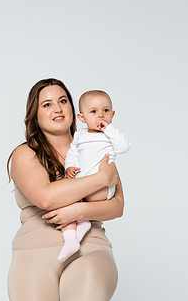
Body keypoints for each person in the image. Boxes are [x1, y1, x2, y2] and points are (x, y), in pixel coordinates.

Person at [7, 78, 124, 301]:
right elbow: (46, 198)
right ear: (35, 114)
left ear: (74, 109)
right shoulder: (25, 154)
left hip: (90, 247)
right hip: (34, 252)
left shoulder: (99, 145)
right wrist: (100, 178)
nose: (58, 109)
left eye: (63, 101)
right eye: (47, 104)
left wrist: (79, 212)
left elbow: (117, 206)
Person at [57, 90, 131, 262]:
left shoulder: (111, 135)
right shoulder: (79, 136)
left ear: (112, 114)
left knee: (77, 201)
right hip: (83, 184)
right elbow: (72, 154)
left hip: (103, 188)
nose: (100, 116)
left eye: (106, 111)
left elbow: (124, 147)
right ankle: (70, 239)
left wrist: (110, 129)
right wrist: (69, 167)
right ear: (82, 118)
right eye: (93, 112)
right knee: (64, 201)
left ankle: (82, 222)